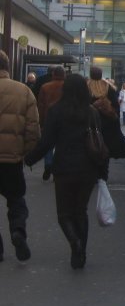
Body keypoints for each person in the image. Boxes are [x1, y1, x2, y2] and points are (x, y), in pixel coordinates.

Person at [25, 74, 104, 269]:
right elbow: (100, 141)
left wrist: (29, 159)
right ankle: (81, 253)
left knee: (64, 214)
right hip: (88, 170)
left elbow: (47, 142)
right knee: (81, 211)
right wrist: (102, 171)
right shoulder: (91, 112)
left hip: (64, 169)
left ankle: (74, 243)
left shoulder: (56, 111)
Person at [0, 50, 40, 262]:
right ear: (8, 67)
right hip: (12, 160)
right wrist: (26, 152)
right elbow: (33, 128)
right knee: (16, 200)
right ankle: (17, 231)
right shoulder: (23, 91)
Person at [87, 66, 125, 178]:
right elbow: (116, 107)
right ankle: (104, 173)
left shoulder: (86, 86)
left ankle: (94, 171)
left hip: (91, 123)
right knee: (105, 148)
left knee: (91, 146)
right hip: (108, 123)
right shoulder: (109, 87)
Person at [37, 65, 66, 181]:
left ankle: (48, 164)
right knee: (61, 145)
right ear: (64, 75)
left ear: (53, 75)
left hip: (49, 119)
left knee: (48, 144)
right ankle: (58, 169)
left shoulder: (45, 87)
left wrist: (41, 122)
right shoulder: (67, 87)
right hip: (64, 121)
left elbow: (41, 105)